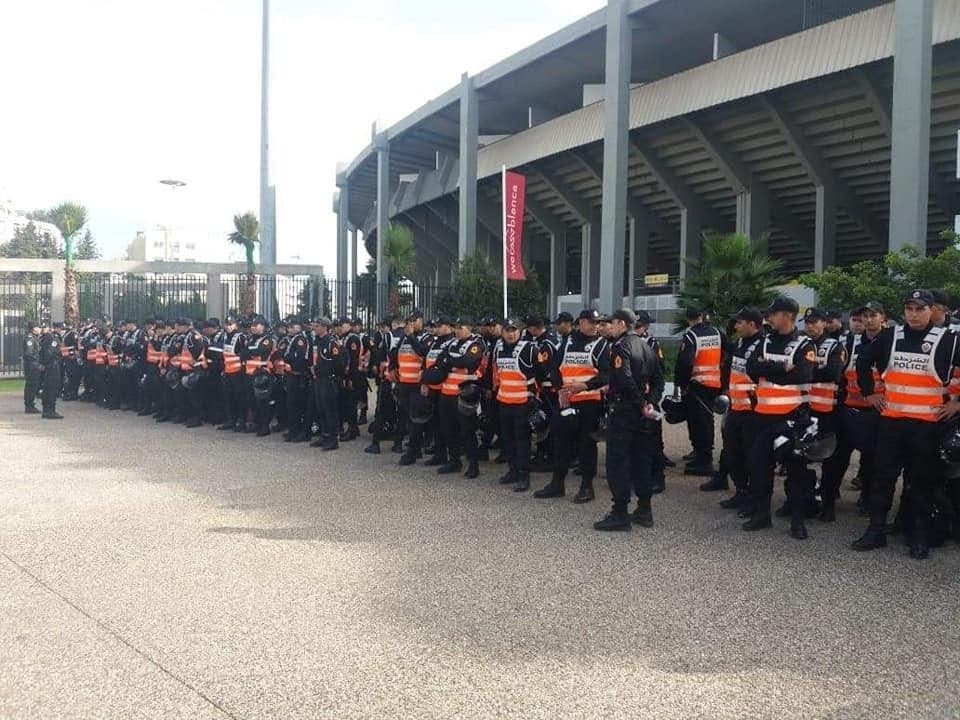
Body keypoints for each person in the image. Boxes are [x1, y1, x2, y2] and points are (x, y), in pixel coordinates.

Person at [852, 290, 960, 559]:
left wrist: (957, 403)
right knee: (883, 478)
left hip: (927, 425)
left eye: (919, 309)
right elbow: (863, 360)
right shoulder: (891, 336)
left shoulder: (948, 339)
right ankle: (876, 530)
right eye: (909, 309)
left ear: (931, 310)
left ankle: (918, 535)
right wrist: (869, 393)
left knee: (922, 482)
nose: (913, 314)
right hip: (892, 422)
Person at [742, 297, 815, 539]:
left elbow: (802, 375)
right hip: (762, 418)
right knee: (759, 469)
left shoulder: (805, 345)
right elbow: (751, 369)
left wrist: (769, 368)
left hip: (792, 419)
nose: (768, 319)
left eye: (772, 314)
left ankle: (797, 521)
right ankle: (762, 515)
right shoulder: (765, 341)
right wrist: (782, 368)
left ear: (787, 316)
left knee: (796, 473)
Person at [594, 309, 664, 531]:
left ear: (622, 324)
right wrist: (649, 402)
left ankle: (620, 513)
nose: (609, 327)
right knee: (641, 461)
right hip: (642, 415)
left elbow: (624, 378)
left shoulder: (621, 346)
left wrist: (639, 402)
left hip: (624, 411)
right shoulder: (647, 346)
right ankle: (644, 509)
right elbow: (658, 380)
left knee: (618, 462)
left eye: (612, 323)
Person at [534, 309, 609, 503]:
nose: (595, 326)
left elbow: (607, 375)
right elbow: (554, 368)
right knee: (561, 444)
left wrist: (584, 385)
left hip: (589, 402)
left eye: (598, 323)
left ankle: (586, 487)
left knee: (586, 445)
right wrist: (560, 389)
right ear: (581, 322)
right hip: (566, 401)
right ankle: (557, 484)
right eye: (591, 322)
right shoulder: (567, 342)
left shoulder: (601, 345)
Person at [716, 308, 765, 514]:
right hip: (736, 407)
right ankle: (741, 491)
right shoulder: (740, 343)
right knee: (733, 453)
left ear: (752, 324)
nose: (736, 327)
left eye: (739, 323)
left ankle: (754, 499)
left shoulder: (763, 345)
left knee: (752, 457)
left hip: (753, 411)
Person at [803, 307, 846, 522]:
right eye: (807, 322)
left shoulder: (834, 346)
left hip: (827, 412)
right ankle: (803, 500)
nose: (810, 326)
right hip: (803, 410)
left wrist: (804, 371)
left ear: (824, 323)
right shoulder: (801, 344)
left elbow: (834, 373)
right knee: (801, 457)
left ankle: (827, 504)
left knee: (828, 460)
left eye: (815, 322)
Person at [675, 307, 724, 475]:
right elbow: (728, 353)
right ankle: (702, 454)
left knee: (698, 422)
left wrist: (681, 384)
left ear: (689, 319)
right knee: (706, 420)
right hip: (714, 384)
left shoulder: (691, 336)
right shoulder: (717, 333)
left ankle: (703, 461)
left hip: (696, 385)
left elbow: (685, 363)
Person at [434, 317, 485, 477]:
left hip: (464, 395)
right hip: (447, 394)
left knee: (467, 431)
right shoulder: (451, 343)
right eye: (455, 327)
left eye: (460, 327)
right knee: (448, 430)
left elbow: (468, 361)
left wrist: (450, 361)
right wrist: (453, 362)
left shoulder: (475, 344)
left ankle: (473, 464)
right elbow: (439, 360)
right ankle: (454, 460)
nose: (457, 330)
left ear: (469, 328)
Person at [493, 317, 539, 492]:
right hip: (504, 402)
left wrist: (534, 398)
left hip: (522, 403)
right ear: (502, 332)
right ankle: (512, 471)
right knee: (508, 440)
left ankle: (523, 476)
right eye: (507, 330)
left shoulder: (529, 349)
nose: (511, 334)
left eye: (514, 330)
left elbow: (540, 374)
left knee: (522, 442)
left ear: (520, 331)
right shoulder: (500, 349)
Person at [635, 310, 669, 492]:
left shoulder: (651, 343)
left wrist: (653, 398)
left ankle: (657, 478)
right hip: (633, 399)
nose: (638, 329)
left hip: (648, 397)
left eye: (640, 326)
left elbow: (660, 371)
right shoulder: (624, 343)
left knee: (653, 440)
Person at [311, 317, 343, 450]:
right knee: (321, 409)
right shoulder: (319, 341)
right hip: (319, 379)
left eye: (317, 326)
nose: (314, 328)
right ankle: (324, 435)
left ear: (324, 327)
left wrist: (334, 376)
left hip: (328, 380)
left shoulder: (331, 342)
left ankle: (332, 439)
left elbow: (338, 363)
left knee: (330, 410)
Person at [243, 315, 275, 437]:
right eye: (252, 325)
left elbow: (260, 351)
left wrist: (248, 351)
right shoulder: (252, 339)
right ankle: (256, 424)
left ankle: (264, 426)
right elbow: (244, 353)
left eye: (256, 325)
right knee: (252, 401)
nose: (253, 327)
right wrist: (248, 352)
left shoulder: (267, 339)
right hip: (249, 373)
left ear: (263, 326)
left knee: (263, 402)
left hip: (262, 374)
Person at [283, 318, 312, 442]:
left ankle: (299, 431)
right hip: (292, 375)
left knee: (298, 405)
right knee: (291, 404)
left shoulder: (300, 339)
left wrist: (289, 358)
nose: (289, 329)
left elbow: (299, 356)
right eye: (288, 327)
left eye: (291, 326)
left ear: (298, 327)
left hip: (298, 375)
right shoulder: (294, 339)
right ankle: (293, 429)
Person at [218, 315, 247, 431]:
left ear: (235, 325)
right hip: (227, 371)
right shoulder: (225, 337)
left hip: (238, 373)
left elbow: (245, 353)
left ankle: (241, 421)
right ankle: (231, 420)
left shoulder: (240, 337)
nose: (229, 327)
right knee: (228, 397)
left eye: (231, 324)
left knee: (239, 397)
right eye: (227, 324)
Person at [38, 322, 63, 419]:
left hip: (46, 366)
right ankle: (50, 410)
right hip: (52, 366)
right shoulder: (52, 338)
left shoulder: (43, 338)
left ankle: (46, 410)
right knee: (52, 389)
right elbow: (50, 353)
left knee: (46, 388)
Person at [22, 321, 43, 414]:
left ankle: (30, 404)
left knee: (32, 385)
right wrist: (37, 365)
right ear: (34, 328)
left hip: (33, 365)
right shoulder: (30, 338)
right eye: (39, 327)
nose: (40, 329)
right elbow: (29, 353)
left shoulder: (34, 338)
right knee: (31, 385)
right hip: (32, 366)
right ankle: (29, 405)